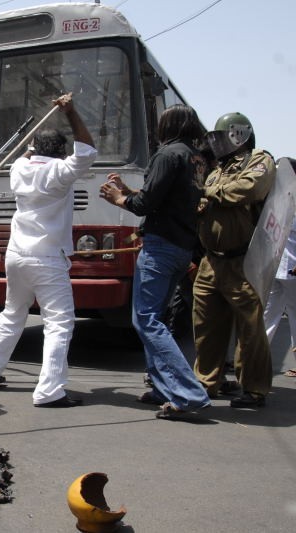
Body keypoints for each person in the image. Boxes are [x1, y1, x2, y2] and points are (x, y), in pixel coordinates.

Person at [0, 94, 97, 407]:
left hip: (16, 255)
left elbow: (28, 152)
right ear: (59, 151)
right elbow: (86, 148)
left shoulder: (19, 169)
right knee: (58, 324)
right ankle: (49, 391)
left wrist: (35, 140)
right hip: (47, 259)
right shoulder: (60, 172)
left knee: (12, 313)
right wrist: (70, 112)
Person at [99, 104, 211, 420]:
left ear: (169, 125)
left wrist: (119, 198)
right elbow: (164, 199)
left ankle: (188, 394)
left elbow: (146, 203)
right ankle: (164, 388)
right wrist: (129, 190)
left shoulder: (167, 154)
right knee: (156, 318)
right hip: (181, 247)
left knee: (146, 319)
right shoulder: (196, 158)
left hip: (160, 247)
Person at [192, 112, 276, 408]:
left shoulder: (259, 159)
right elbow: (202, 202)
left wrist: (210, 193)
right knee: (206, 328)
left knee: (250, 330)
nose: (215, 143)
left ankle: (253, 388)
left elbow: (251, 188)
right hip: (210, 262)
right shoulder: (217, 170)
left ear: (239, 134)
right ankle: (207, 382)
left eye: (220, 136)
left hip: (243, 261)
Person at [262, 158, 296, 377]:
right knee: (268, 314)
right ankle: (256, 360)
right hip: (277, 267)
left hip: (291, 268)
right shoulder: (278, 199)